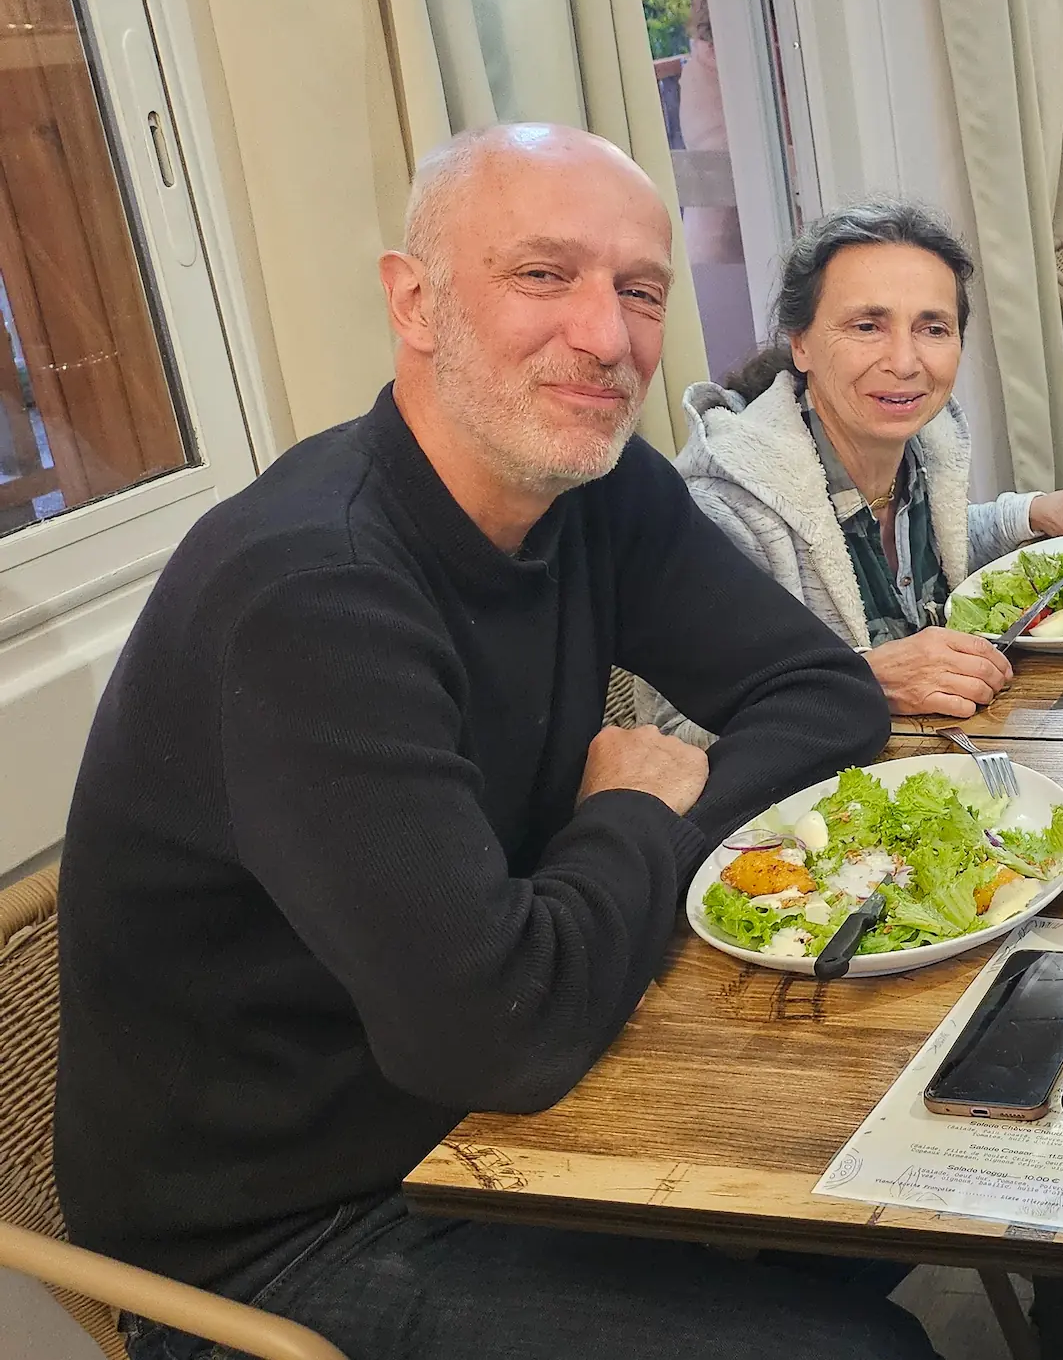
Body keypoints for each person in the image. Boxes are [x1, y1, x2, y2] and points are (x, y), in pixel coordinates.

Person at [53, 123, 932, 1360]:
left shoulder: (594, 485)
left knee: (926, 1161)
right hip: (293, 1235)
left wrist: (619, 852)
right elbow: (500, 1028)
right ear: (414, 302)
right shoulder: (315, 594)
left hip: (518, 1090)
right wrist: (626, 820)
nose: (605, 336)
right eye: (541, 275)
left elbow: (822, 694)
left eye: (638, 292)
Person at [649, 201, 1063, 722]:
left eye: (932, 329)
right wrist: (863, 681)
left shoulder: (924, 445)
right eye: (866, 326)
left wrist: (1028, 514)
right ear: (801, 344)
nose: (905, 363)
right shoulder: (720, 511)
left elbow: (921, 557)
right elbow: (675, 728)